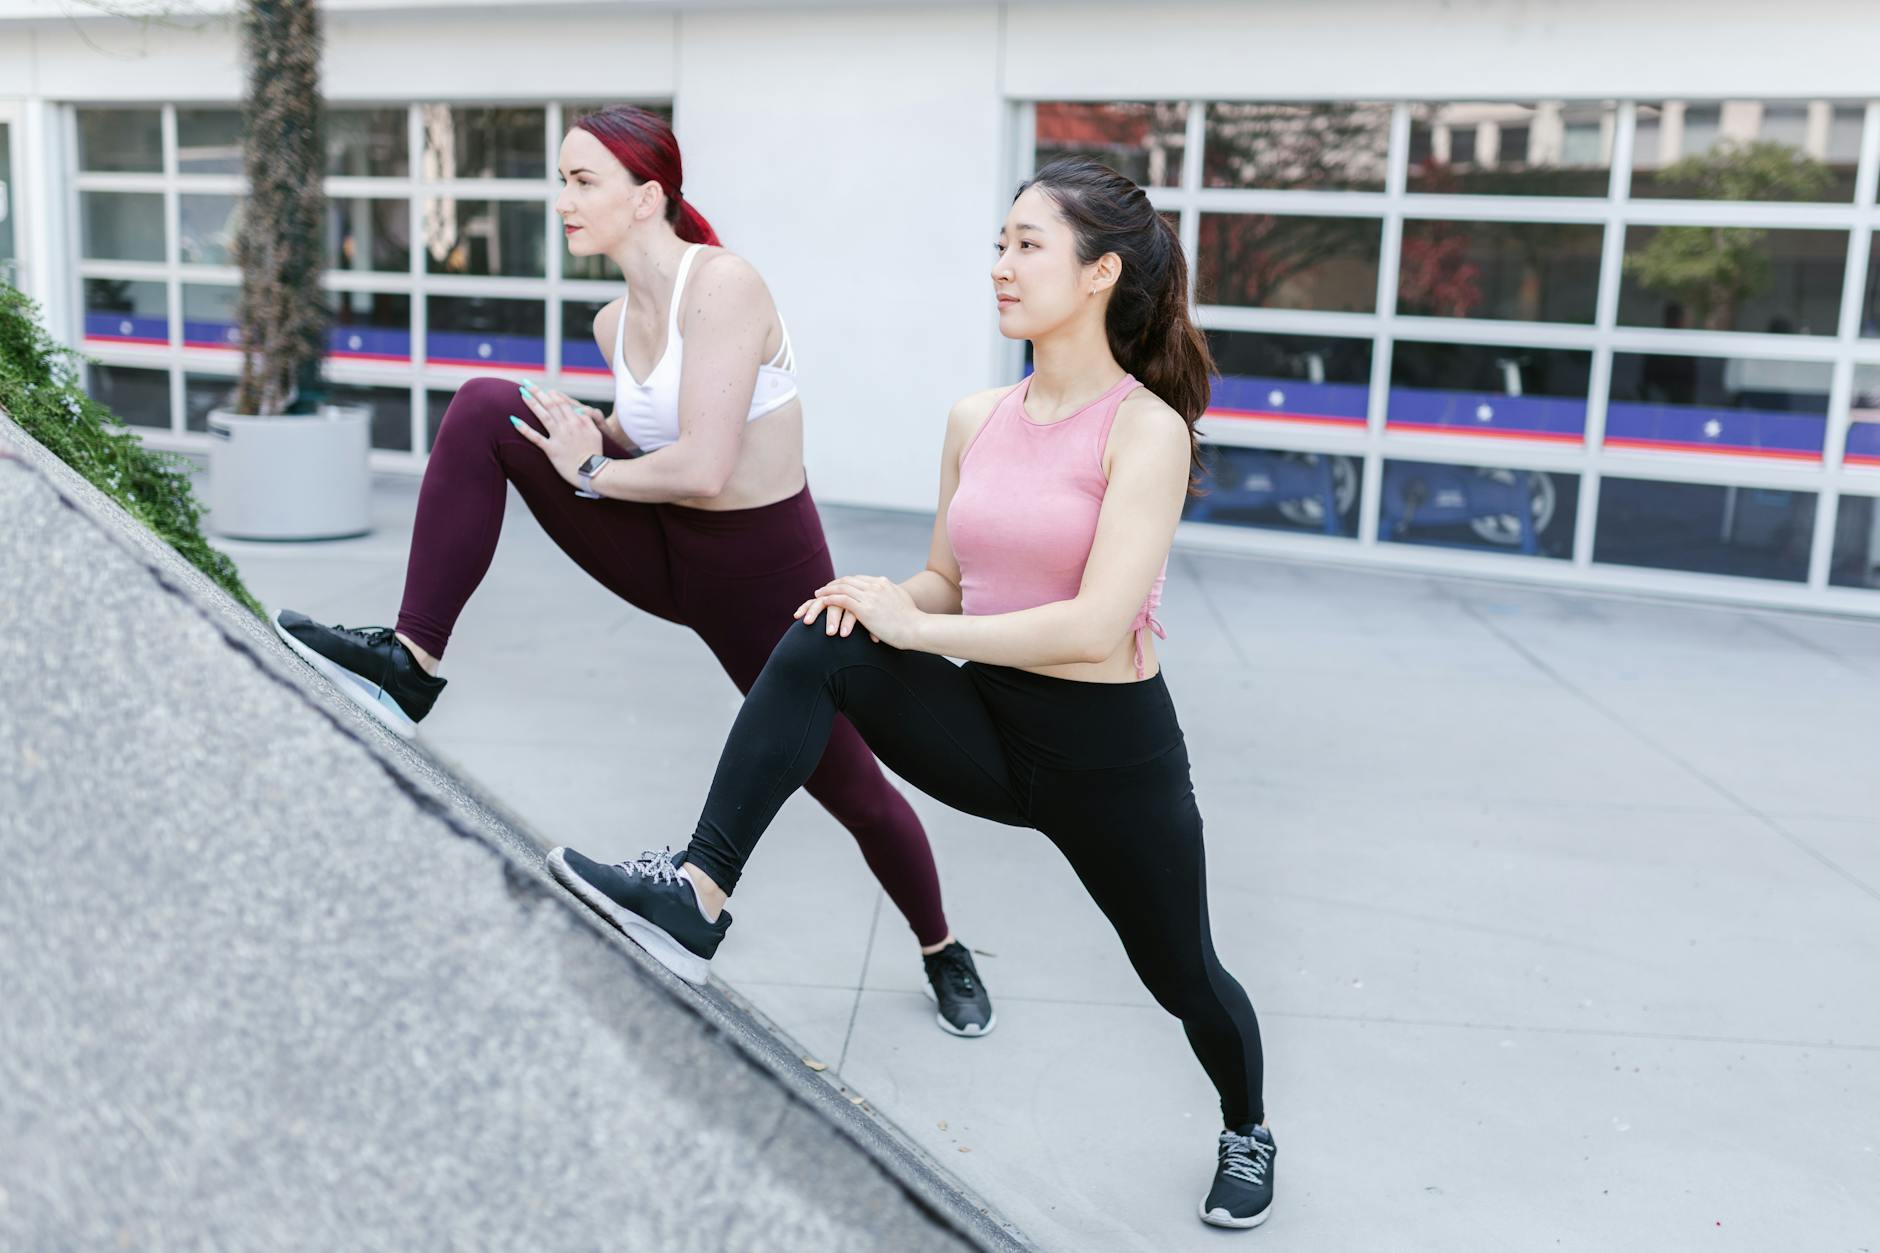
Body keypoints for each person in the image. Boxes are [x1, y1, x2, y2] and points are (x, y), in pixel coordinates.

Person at [546, 155, 1276, 1229]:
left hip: (1107, 755)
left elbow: (1092, 622)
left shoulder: (1144, 429)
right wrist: (885, 596)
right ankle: (699, 888)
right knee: (820, 629)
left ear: (1098, 274)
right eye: (999, 242)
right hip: (988, 727)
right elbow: (946, 574)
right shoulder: (976, 414)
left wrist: (923, 625)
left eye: (1028, 244)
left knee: (1185, 977)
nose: (1001, 264)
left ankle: (1244, 1123)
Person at [273, 105, 993, 1038]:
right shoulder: (616, 319)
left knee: (852, 787)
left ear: (647, 194)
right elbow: (642, 444)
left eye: (582, 181)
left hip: (763, 582)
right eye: (561, 179)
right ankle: (412, 661)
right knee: (494, 406)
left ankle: (942, 948)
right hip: (663, 552)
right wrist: (589, 436)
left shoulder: (723, 287)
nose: (562, 199)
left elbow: (704, 465)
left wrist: (594, 468)